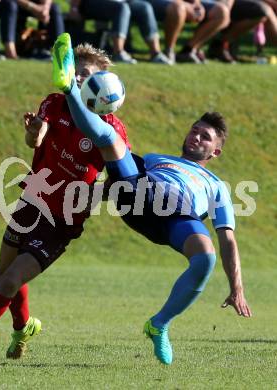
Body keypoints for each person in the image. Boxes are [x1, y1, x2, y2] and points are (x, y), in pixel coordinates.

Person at [51, 33, 252, 365]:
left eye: (205, 136)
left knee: (205, 259)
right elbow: (118, 170)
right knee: (111, 140)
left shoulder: (216, 186)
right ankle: (69, 85)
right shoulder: (158, 158)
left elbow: (227, 239)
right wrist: (88, 195)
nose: (196, 136)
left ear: (215, 151)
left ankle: (159, 325)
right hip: (138, 191)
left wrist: (237, 287)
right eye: (194, 130)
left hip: (175, 219)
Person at [0, 42, 130, 364]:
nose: (80, 78)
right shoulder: (55, 103)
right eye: (76, 72)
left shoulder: (110, 129)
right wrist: (34, 132)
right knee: (2, 272)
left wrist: (100, 194)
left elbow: (119, 177)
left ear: (102, 84)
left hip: (63, 218)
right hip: (33, 199)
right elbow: (34, 142)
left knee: (11, 279)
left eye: (88, 74)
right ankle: (23, 327)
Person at [69, 0, 172, 64]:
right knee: (122, 8)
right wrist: (74, 8)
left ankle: (155, 53)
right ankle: (118, 52)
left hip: (121, 2)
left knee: (144, 7)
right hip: (90, 3)